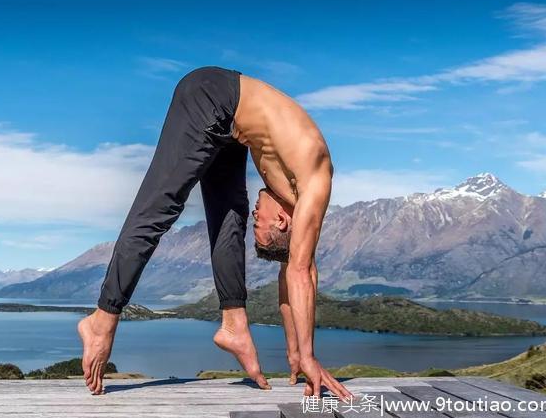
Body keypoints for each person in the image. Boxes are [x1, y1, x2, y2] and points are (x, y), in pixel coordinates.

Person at [78, 66, 352, 400]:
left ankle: (234, 324)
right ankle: (102, 319)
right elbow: (300, 271)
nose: (257, 217)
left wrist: (295, 353)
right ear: (282, 221)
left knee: (229, 217)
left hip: (232, 126)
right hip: (210, 96)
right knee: (159, 209)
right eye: (260, 228)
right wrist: (310, 358)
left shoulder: (299, 202)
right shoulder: (313, 182)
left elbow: (295, 271)